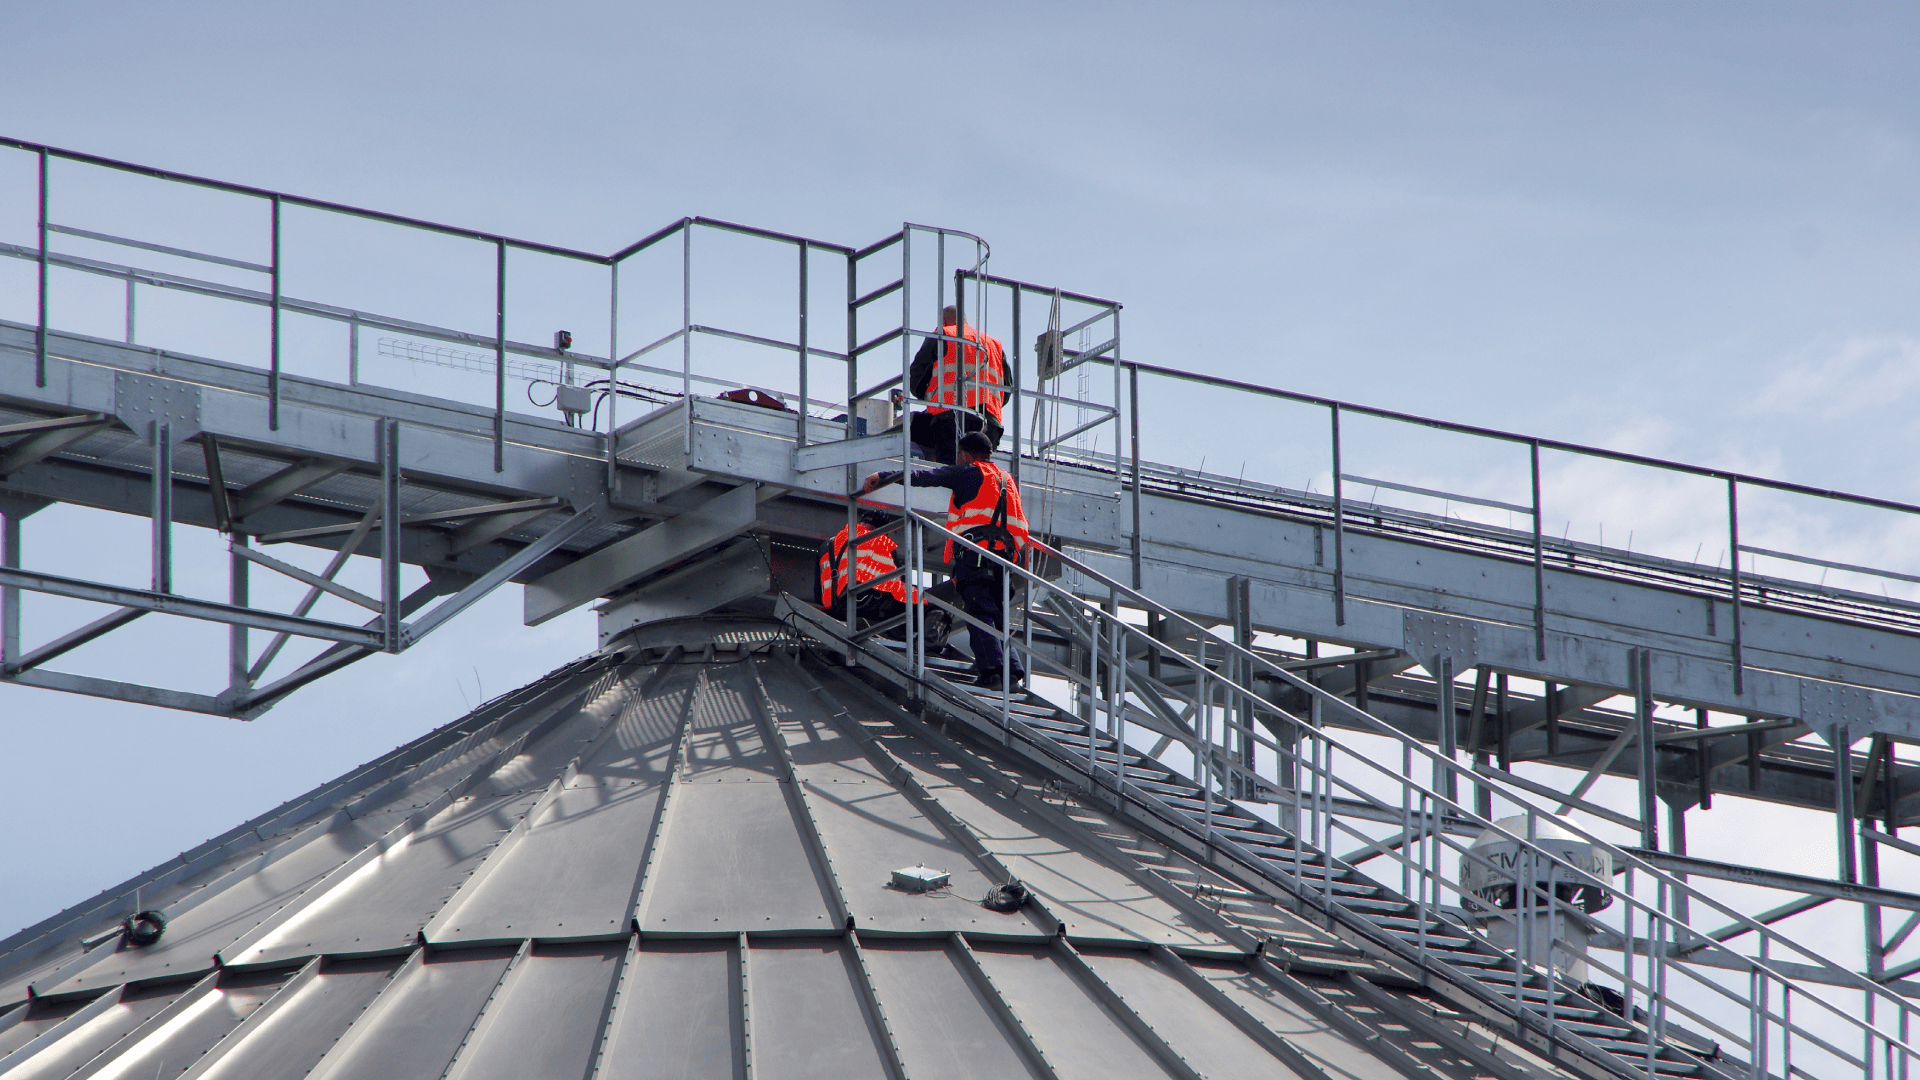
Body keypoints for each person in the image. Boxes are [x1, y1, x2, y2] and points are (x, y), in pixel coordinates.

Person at [861, 432, 1029, 687]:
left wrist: (883, 476)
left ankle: (992, 672)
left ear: (965, 454)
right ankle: (1012, 672)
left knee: (979, 612)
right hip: (1004, 560)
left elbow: (927, 476)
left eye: (959, 455)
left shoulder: (970, 472)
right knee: (996, 615)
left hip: (976, 556)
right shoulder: (1006, 479)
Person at [896, 305, 1008, 465]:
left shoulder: (943, 335)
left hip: (951, 420)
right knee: (979, 474)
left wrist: (928, 399)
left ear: (943, 321)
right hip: (989, 424)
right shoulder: (994, 344)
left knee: (950, 471)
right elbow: (1007, 389)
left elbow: (916, 378)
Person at [817, 509, 909, 634]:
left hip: (834, 608)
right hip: (863, 608)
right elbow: (900, 584)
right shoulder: (878, 542)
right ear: (880, 529)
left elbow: (818, 591)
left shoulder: (827, 545)